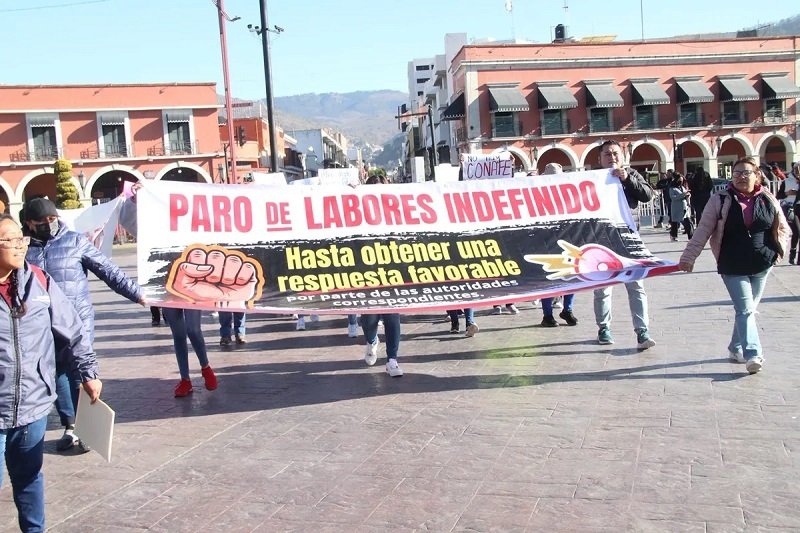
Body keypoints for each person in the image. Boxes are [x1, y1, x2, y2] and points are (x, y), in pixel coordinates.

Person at [0, 214, 102, 532]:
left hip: (33, 406)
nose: (20, 245)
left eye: (21, 239)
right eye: (10, 240)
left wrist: (88, 372)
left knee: (29, 480)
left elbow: (72, 330)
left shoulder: (39, 281)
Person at [22, 197, 143, 453]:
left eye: (52, 219)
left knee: (82, 374)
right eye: (41, 222)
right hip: (42, 326)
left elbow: (109, 271)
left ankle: (89, 429)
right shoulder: (23, 251)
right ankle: (70, 425)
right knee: (57, 376)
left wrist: (138, 294)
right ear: (28, 224)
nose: (48, 224)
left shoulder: (74, 241)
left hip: (77, 323)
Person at [679, 157, 789, 374]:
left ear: (756, 175)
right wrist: (689, 257)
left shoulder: (767, 197)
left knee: (747, 310)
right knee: (746, 310)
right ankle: (753, 354)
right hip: (732, 264)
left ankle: (735, 347)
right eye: (736, 172)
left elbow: (782, 227)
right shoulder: (720, 199)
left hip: (762, 263)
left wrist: (778, 252)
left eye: (746, 172)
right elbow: (703, 230)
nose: (740, 176)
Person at [593, 140, 656, 349]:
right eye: (607, 154)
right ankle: (603, 327)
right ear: (599, 158)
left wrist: (627, 179)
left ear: (623, 155)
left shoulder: (632, 174)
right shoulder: (592, 179)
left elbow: (647, 195)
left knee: (636, 285)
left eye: (615, 153)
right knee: (603, 288)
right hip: (602, 240)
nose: (612, 157)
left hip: (629, 239)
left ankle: (642, 330)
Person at [360, 174, 403, 377]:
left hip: (390, 274)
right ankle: (371, 339)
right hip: (367, 274)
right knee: (369, 319)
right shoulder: (359, 214)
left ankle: (392, 360)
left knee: (392, 317)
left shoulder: (395, 214)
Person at [164, 307, 218, 396]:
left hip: (192, 294)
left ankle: (206, 368)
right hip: (170, 294)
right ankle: (185, 379)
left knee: (193, 331)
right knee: (179, 335)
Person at [781, 163, 799, 264]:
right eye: (797, 169)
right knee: (796, 231)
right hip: (790, 208)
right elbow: (779, 195)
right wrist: (787, 193)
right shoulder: (787, 181)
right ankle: (792, 256)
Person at [668, 172, 694, 241]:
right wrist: (683, 194)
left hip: (684, 207)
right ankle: (673, 236)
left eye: (682, 181)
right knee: (675, 223)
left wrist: (688, 195)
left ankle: (691, 236)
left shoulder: (682, 187)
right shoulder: (672, 188)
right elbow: (673, 197)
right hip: (676, 207)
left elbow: (685, 194)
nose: (681, 182)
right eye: (679, 180)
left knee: (688, 222)